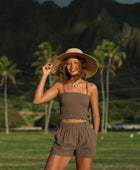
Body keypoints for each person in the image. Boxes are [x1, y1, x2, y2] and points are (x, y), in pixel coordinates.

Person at [33, 48, 100, 170]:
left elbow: (95, 114)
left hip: (85, 134)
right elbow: (37, 100)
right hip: (64, 134)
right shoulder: (59, 86)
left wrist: (93, 135)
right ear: (65, 67)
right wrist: (45, 75)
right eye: (68, 63)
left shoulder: (91, 88)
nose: (72, 66)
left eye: (75, 62)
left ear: (81, 65)